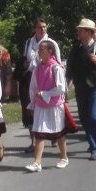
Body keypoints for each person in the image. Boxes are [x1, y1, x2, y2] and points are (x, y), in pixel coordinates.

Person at [68, 18, 96, 160]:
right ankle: (92, 142)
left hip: (95, 87)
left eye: (81, 30)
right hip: (80, 88)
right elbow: (69, 69)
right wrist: (65, 86)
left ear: (88, 32)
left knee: (94, 116)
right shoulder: (76, 48)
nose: (78, 32)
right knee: (84, 118)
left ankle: (95, 148)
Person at [25, 37, 71, 171]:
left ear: (50, 51)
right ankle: (37, 162)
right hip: (41, 106)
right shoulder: (37, 68)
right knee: (39, 133)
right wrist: (32, 103)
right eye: (38, 49)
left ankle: (64, 157)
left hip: (55, 106)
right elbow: (33, 88)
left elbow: (61, 88)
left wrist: (45, 94)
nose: (39, 51)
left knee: (59, 133)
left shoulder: (56, 67)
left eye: (42, 49)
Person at [18, 19, 48, 135]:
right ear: (35, 29)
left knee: (45, 105)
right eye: (40, 27)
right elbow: (25, 57)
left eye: (44, 27)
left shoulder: (50, 42)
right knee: (28, 105)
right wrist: (25, 63)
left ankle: (52, 133)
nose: (42, 29)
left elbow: (57, 61)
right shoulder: (29, 42)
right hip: (30, 76)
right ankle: (34, 139)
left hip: (45, 76)